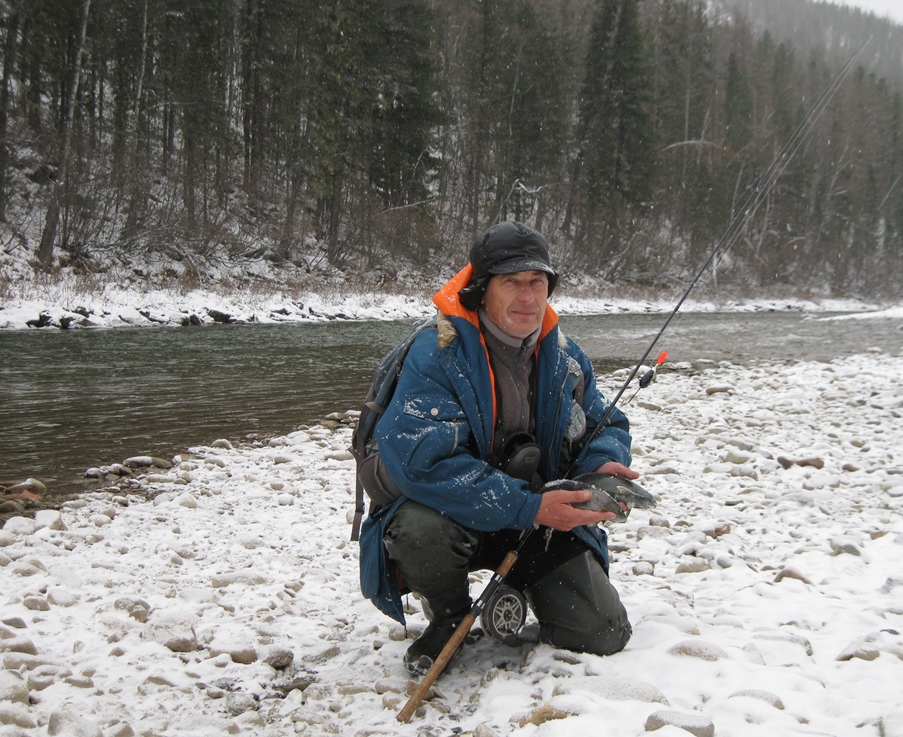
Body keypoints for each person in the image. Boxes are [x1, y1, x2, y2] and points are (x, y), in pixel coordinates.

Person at [358, 220, 638, 675]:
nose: (528, 297)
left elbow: (605, 424)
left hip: (538, 517)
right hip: (458, 515)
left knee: (601, 634)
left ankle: (528, 581)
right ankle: (449, 616)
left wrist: (604, 461)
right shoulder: (436, 353)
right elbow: (424, 464)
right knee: (418, 527)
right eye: (512, 282)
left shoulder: (567, 357)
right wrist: (531, 508)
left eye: (537, 282)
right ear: (481, 290)